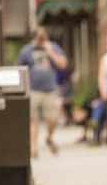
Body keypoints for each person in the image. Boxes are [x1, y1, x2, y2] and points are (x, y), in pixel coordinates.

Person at [16, 27, 68, 158]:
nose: (42, 38)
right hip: (33, 90)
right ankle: (34, 149)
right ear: (35, 37)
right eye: (39, 36)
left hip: (49, 90)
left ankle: (49, 138)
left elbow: (63, 64)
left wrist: (50, 52)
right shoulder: (27, 50)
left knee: (53, 119)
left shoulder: (53, 47)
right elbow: (18, 68)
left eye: (43, 36)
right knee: (33, 120)